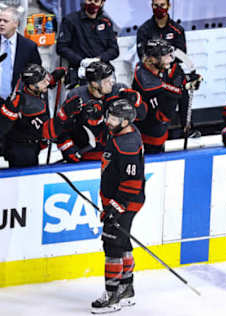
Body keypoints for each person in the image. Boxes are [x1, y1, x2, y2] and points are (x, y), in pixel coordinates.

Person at [91, 98, 145, 314]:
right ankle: (126, 288)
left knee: (112, 244)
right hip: (121, 201)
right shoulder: (122, 133)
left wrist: (115, 206)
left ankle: (112, 295)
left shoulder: (128, 145)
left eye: (113, 119)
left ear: (125, 121)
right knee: (122, 241)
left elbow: (132, 183)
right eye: (109, 116)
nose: (108, 121)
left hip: (126, 202)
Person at [57, 61, 146, 162]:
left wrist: (137, 103)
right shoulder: (76, 97)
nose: (111, 83)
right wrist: (68, 148)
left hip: (117, 153)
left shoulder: (119, 91)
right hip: (87, 157)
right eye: (106, 81)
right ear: (94, 83)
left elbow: (141, 116)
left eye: (112, 79)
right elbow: (61, 127)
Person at [4, 64, 82, 167]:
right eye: (43, 81)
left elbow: (43, 81)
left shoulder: (26, 82)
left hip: (29, 139)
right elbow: (49, 132)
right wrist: (65, 112)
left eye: (46, 79)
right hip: (21, 148)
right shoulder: (29, 106)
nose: (47, 82)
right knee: (26, 177)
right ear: (32, 86)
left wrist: (54, 77)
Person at [136, 0, 193, 138]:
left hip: (172, 69)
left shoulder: (177, 29)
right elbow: (142, 55)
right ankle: (147, 131)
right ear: (151, 6)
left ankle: (187, 128)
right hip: (151, 71)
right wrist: (157, 63)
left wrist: (167, 62)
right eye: (156, 5)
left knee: (184, 91)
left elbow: (181, 54)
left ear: (168, 6)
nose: (159, 8)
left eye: (162, 5)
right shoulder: (144, 29)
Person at [132, 39, 200, 154]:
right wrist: (184, 85)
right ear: (152, 59)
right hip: (146, 134)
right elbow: (169, 89)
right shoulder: (143, 75)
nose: (169, 59)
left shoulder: (159, 69)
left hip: (160, 131)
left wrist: (187, 79)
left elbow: (174, 86)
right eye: (164, 56)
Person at [0, 6, 42, 99]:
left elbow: (36, 74)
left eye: (5, 21)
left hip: (17, 100)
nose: (1, 24)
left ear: (16, 23)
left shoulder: (29, 46)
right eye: (0, 20)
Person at [56, 0, 119, 87]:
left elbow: (114, 50)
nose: (92, 3)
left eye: (96, 1)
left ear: (102, 3)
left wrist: (98, 59)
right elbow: (61, 47)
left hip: (103, 70)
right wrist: (81, 61)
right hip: (79, 71)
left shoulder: (106, 22)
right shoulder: (70, 20)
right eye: (89, 0)